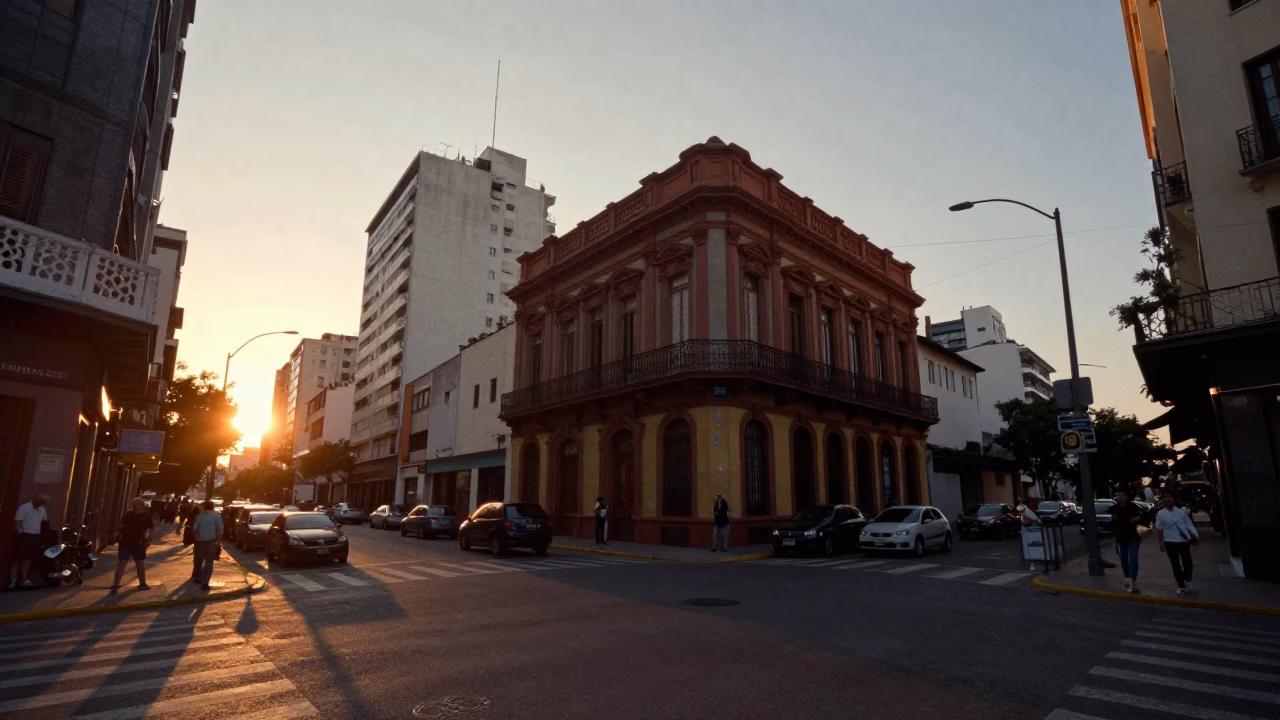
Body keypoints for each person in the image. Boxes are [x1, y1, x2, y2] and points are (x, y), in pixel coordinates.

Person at [1155, 492, 1199, 596]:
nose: (1168, 502)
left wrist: (1195, 538)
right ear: (1163, 502)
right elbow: (1159, 529)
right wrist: (1161, 542)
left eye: (1170, 499)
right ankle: (1181, 585)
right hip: (1169, 542)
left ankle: (1187, 579)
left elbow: (1189, 525)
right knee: (1175, 564)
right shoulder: (1161, 513)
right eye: (1165, 500)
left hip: (1183, 541)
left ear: (1173, 500)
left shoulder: (1181, 512)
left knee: (1188, 563)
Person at [110, 497, 154, 592]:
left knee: (140, 563)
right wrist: (117, 533)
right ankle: (115, 585)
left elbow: (151, 528)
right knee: (122, 563)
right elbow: (122, 526)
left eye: (137, 504)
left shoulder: (147, 516)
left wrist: (148, 538)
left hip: (139, 543)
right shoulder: (128, 514)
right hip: (125, 542)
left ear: (142, 505)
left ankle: (142, 583)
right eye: (134, 503)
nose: (135, 505)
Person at [1110, 489, 1148, 594]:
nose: (1120, 497)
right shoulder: (1114, 509)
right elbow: (1113, 525)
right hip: (1121, 537)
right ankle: (1127, 578)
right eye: (1118, 495)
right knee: (1123, 559)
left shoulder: (1134, 507)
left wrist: (1137, 519)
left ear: (1126, 496)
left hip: (1133, 536)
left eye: (1122, 495)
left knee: (1133, 559)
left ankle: (1132, 581)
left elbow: (1144, 517)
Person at [8, 493, 48, 590]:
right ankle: (12, 580)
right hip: (23, 534)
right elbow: (18, 521)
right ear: (34, 500)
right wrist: (16, 535)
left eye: (42, 502)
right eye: (39, 501)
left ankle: (23, 579)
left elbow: (44, 522)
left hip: (35, 536)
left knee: (28, 558)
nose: (40, 504)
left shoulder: (42, 509)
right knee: (17, 558)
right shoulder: (24, 508)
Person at [191, 500, 223, 591]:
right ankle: (205, 582)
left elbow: (194, 531)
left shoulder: (199, 517)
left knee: (198, 560)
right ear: (213, 507)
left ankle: (197, 577)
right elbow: (220, 531)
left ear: (204, 507)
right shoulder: (217, 516)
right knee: (209, 563)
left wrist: (197, 538)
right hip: (212, 542)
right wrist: (219, 543)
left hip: (200, 541)